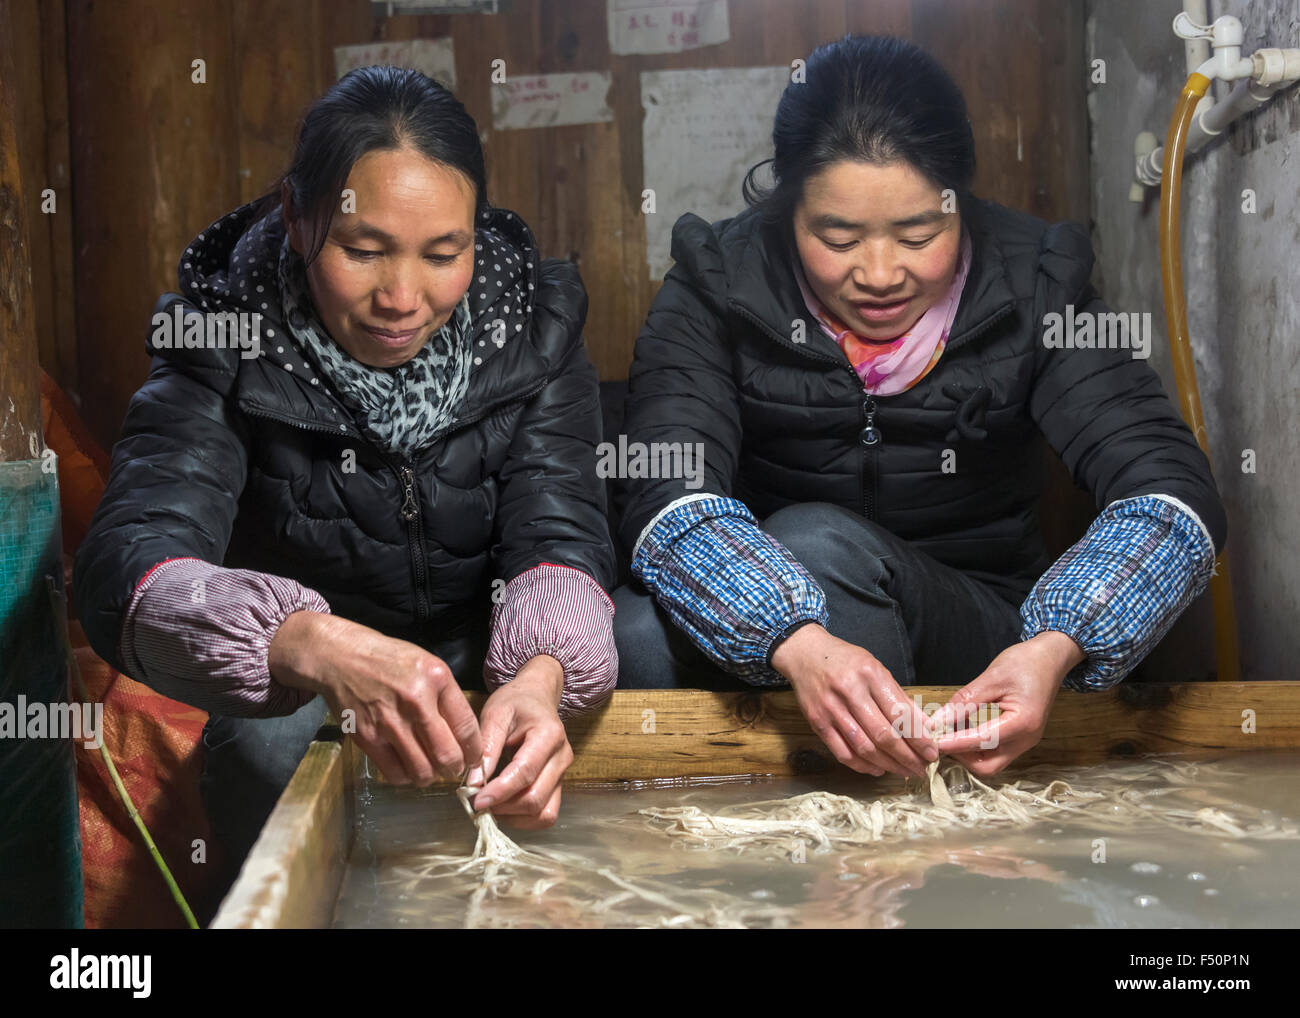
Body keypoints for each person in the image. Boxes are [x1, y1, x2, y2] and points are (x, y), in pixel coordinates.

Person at [74, 66, 617, 912]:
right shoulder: (220, 339)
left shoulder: (535, 329)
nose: (402, 299)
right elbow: (126, 565)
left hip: (487, 648)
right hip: (309, 683)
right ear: (297, 219)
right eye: (362, 251)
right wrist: (309, 642)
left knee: (647, 651)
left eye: (444, 254)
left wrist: (541, 677)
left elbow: (560, 523)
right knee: (267, 747)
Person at [612, 35, 1225, 781]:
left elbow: (1168, 490)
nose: (878, 275)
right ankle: (756, 869)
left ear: (959, 202)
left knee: (816, 542)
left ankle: (892, 822)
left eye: (917, 234)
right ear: (786, 206)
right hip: (777, 629)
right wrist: (794, 637)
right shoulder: (719, 281)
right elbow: (667, 491)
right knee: (636, 633)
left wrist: (1057, 642)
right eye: (836, 237)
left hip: (976, 631)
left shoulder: (1036, 283)